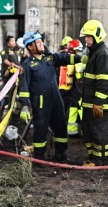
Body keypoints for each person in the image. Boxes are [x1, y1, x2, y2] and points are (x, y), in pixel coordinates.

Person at [17, 32, 76, 163]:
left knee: (61, 127)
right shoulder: (27, 65)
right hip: (41, 102)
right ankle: (40, 159)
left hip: (56, 100)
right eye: (38, 43)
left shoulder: (49, 58)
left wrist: (81, 58)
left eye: (41, 42)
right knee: (41, 129)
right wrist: (25, 105)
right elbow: (24, 87)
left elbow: (64, 58)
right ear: (30, 47)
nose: (41, 44)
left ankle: (61, 155)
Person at [77, 20, 108, 166]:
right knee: (88, 131)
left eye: (89, 36)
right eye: (85, 36)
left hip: (97, 104)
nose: (86, 39)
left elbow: (104, 83)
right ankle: (93, 158)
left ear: (97, 36)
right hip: (88, 103)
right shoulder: (94, 53)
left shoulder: (102, 54)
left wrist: (98, 103)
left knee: (98, 132)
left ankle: (101, 160)